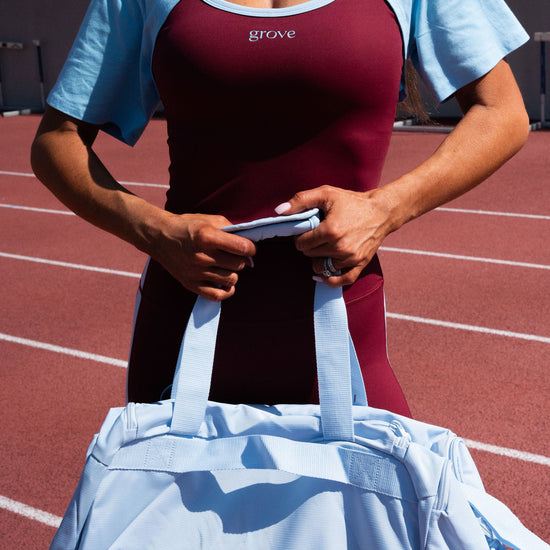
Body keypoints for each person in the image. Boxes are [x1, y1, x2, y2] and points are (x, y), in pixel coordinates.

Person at [31, 0, 529, 416]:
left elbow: (502, 111)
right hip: (186, 326)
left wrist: (384, 209)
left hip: (343, 331)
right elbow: (57, 140)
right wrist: (156, 231)